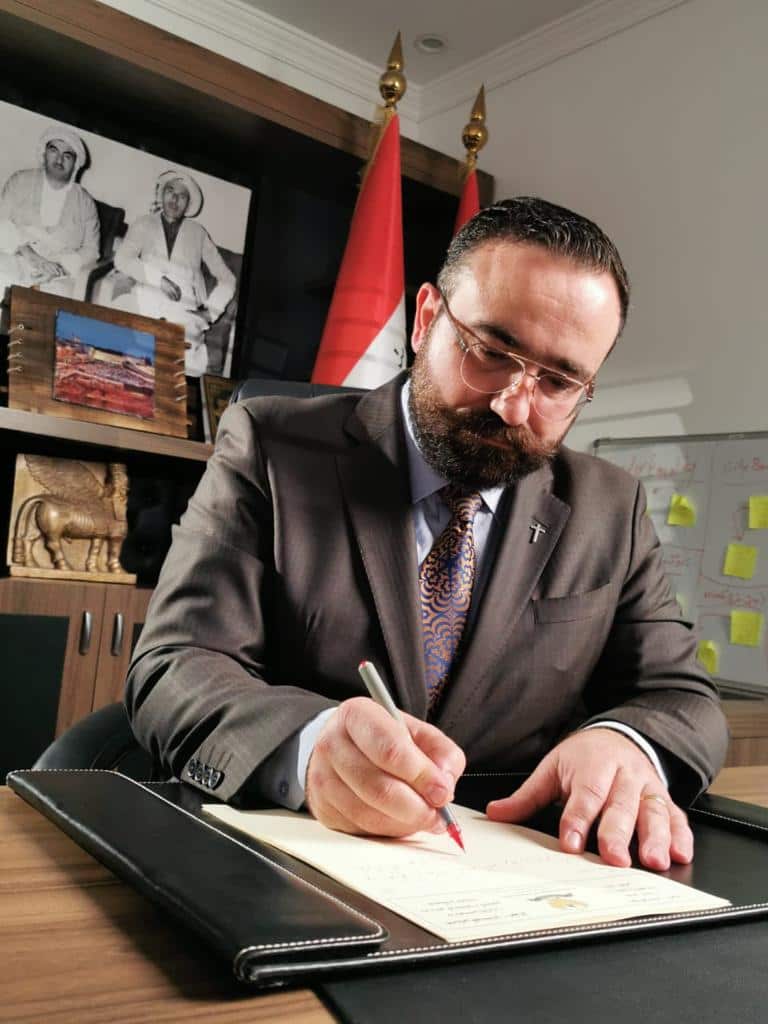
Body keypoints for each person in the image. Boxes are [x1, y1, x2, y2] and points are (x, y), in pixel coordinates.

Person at [126, 197, 728, 873]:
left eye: (558, 381)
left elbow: (682, 698)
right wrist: (311, 744)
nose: (512, 404)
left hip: (513, 879)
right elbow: (174, 666)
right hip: (282, 862)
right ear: (426, 319)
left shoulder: (608, 506)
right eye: (492, 351)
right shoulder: (271, 446)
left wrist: (624, 743)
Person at [112, 169, 236, 376]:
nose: (175, 198)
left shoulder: (198, 233)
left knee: (176, 371)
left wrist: (210, 311)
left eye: (182, 195)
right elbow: (122, 258)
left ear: (188, 204)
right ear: (162, 193)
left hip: (184, 313)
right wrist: (158, 280)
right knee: (130, 363)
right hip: (146, 303)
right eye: (170, 190)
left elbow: (228, 279)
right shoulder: (143, 223)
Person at [0, 124, 100, 310]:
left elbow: (91, 251)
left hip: (58, 274)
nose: (60, 159)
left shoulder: (86, 203)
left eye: (68, 155)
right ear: (43, 153)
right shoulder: (19, 181)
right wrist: (31, 256)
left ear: (76, 164)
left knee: (50, 311)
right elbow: (1, 223)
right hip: (18, 257)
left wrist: (60, 268)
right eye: (54, 150)